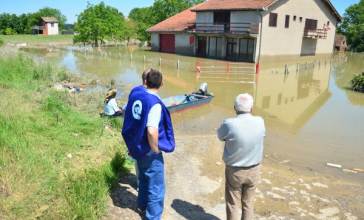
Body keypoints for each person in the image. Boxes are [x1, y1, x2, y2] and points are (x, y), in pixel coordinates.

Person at [122, 69, 175, 220]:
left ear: (145, 82)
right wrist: (155, 149)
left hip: (136, 146)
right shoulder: (155, 103)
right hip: (148, 150)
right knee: (156, 187)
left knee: (144, 179)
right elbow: (152, 131)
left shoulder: (137, 94)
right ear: (162, 84)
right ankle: (153, 217)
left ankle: (142, 205)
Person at [217, 93, 265, 220]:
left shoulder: (229, 123)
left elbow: (220, 136)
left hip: (235, 171)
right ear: (252, 108)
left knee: (233, 204)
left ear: (235, 107)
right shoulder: (260, 121)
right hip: (254, 169)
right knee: (248, 204)